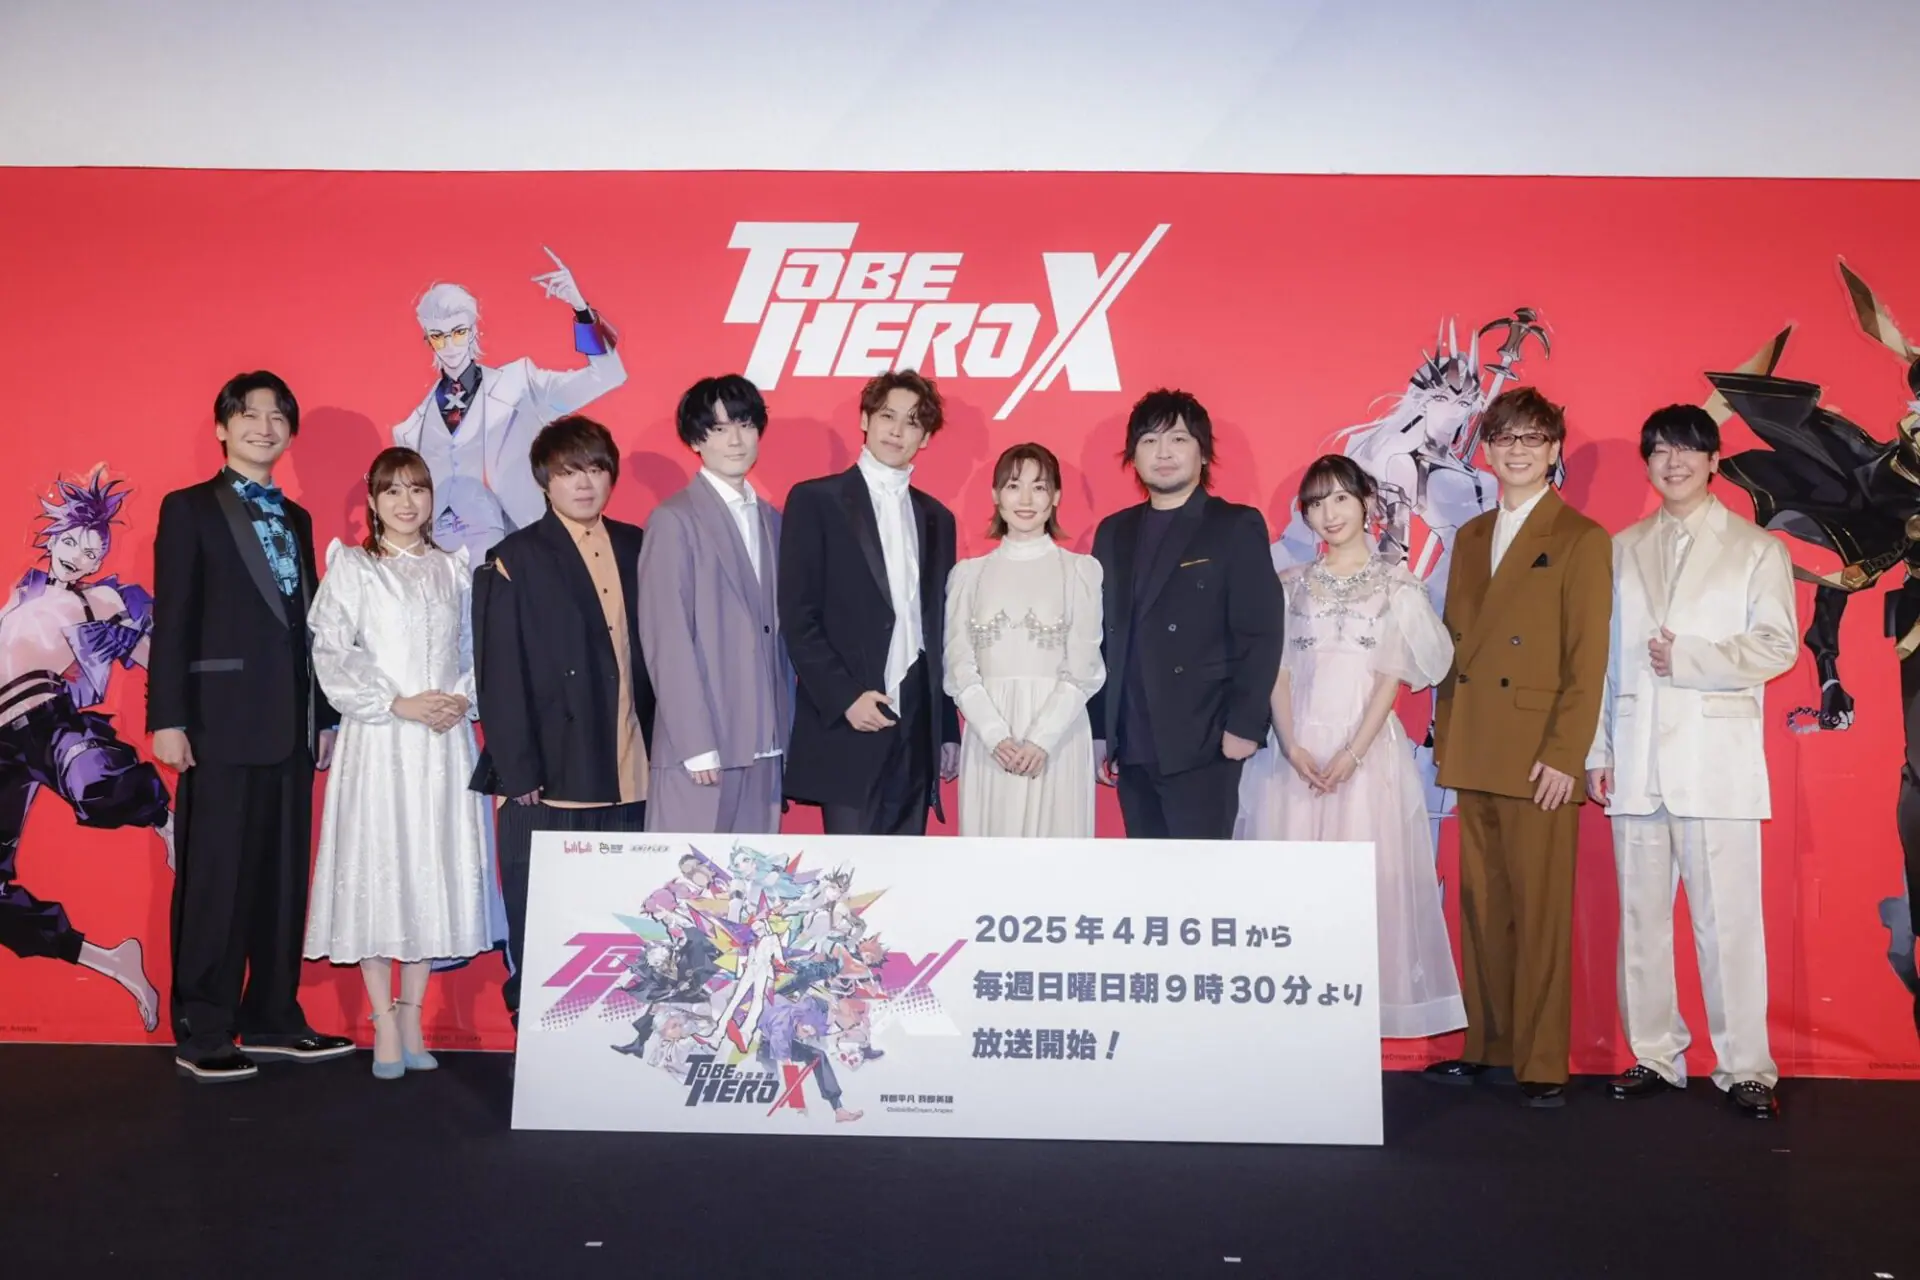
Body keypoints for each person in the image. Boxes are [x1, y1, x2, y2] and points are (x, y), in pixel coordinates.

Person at [1586, 405, 1798, 1119]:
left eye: (1687, 449)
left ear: (1713, 460)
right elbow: (1603, 659)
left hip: (1717, 761)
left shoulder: (1755, 548)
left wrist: (1693, 658)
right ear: (1647, 463)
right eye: (1660, 451)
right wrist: (1597, 748)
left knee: (1729, 923)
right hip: (1636, 755)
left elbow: (1778, 645)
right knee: (1641, 921)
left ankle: (1747, 1067)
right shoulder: (1622, 547)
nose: (1673, 462)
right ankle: (1653, 1053)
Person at [148, 371, 355, 1081]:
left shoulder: (296, 517)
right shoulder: (189, 508)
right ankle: (203, 1027)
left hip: (291, 727)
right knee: (215, 880)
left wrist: (323, 714)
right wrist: (168, 717)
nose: (264, 427)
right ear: (222, 427)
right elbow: (173, 616)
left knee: (280, 879)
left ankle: (272, 1016)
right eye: (249, 415)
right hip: (218, 724)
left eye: (277, 417)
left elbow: (311, 628)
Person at [1424, 386, 1612, 1108]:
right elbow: (1455, 644)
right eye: (1504, 438)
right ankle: (1487, 1044)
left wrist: (1566, 753)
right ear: (1487, 450)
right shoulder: (1472, 535)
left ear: (1554, 449)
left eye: (1533, 438)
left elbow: (1587, 658)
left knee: (1539, 912)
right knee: (1481, 906)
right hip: (1475, 742)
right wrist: (1447, 733)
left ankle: (1541, 1061)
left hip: (1538, 753)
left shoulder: (1581, 537)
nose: (1518, 450)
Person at [1236, 455, 1466, 1038]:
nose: (1329, 513)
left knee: (1364, 893)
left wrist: (1353, 753)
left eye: (1340, 498)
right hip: (1293, 756)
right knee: (1290, 892)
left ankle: (1353, 1027)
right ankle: (1291, 1025)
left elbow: (1392, 678)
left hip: (1365, 754)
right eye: (1316, 503)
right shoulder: (1289, 585)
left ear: (1367, 502)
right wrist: (1291, 745)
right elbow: (1277, 672)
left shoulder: (1398, 585)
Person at [303, 447, 506, 1079]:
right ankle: (382, 1019)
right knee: (378, 868)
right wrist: (396, 703)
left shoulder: (454, 569)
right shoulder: (354, 567)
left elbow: (477, 646)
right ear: (372, 501)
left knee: (429, 870)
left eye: (416, 489)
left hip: (443, 742)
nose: (406, 502)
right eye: (392, 490)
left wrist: (461, 699)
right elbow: (332, 652)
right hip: (380, 739)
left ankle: (413, 1014)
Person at [469, 414, 654, 1023]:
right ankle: (535, 1031)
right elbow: (498, 672)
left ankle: (618, 1032)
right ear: (544, 480)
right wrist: (518, 769)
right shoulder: (513, 557)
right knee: (542, 918)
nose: (584, 483)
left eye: (596, 469)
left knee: (625, 918)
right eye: (570, 471)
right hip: (546, 779)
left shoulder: (637, 545)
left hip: (632, 768)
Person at [0, 468, 172, 1030]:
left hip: (43, 716)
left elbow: (155, 655)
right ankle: (111, 961)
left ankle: (166, 820)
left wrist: (131, 636)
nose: (80, 556)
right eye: (72, 542)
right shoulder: (23, 591)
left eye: (93, 551)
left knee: (95, 783)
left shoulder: (100, 597)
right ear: (52, 538)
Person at [1087, 389, 1283, 840]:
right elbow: (1100, 639)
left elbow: (1261, 631)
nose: (1163, 453)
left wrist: (1245, 724)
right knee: (1146, 872)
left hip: (1205, 738)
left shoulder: (1234, 524)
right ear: (1133, 456)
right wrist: (1100, 730)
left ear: (1203, 452)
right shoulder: (1114, 531)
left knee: (1201, 874)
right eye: (1149, 441)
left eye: (1177, 439)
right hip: (1131, 740)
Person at [778, 370, 960, 835]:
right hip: (849, 718)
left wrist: (945, 728)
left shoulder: (938, 518)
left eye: (913, 422)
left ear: (925, 438)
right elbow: (798, 617)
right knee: (851, 870)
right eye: (887, 416)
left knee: (908, 868)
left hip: (917, 722)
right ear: (865, 419)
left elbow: (938, 630)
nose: (897, 431)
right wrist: (844, 698)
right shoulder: (815, 500)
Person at [392, 248, 625, 558]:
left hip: (521, 545)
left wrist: (581, 309)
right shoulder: (411, 429)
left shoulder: (519, 385)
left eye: (458, 332)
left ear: (474, 331)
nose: (449, 345)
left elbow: (606, 375)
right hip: (445, 560)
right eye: (438, 336)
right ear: (427, 339)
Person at [635, 375, 791, 834]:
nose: (735, 440)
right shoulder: (674, 520)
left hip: (767, 746)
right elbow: (666, 637)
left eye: (744, 424)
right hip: (704, 751)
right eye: (719, 429)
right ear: (695, 440)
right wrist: (694, 742)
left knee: (757, 877)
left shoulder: (773, 521)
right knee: (690, 876)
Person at [942, 442, 1104, 837]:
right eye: (1014, 486)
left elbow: (1084, 669)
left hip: (1059, 737)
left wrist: (1041, 739)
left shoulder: (1080, 571)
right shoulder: (969, 575)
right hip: (989, 738)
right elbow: (959, 668)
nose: (1026, 499)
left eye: (1039, 487)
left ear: (1056, 497)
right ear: (996, 495)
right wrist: (995, 735)